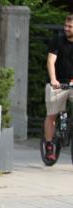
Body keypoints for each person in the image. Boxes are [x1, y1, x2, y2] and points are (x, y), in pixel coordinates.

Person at [43, 12, 73, 159]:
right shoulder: (58, 40)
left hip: (72, 83)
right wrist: (54, 80)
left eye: (70, 26)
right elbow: (51, 62)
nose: (66, 28)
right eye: (66, 25)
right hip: (58, 83)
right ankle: (49, 144)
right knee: (52, 115)